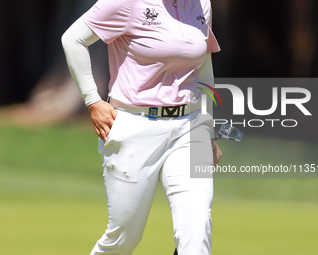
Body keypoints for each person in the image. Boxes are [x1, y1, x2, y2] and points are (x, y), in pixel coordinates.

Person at [61, 0, 222, 254]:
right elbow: (73, 39)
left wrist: (209, 130)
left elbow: (204, 67)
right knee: (124, 237)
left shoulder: (201, 3)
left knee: (196, 227)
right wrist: (93, 101)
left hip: (191, 127)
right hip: (135, 125)